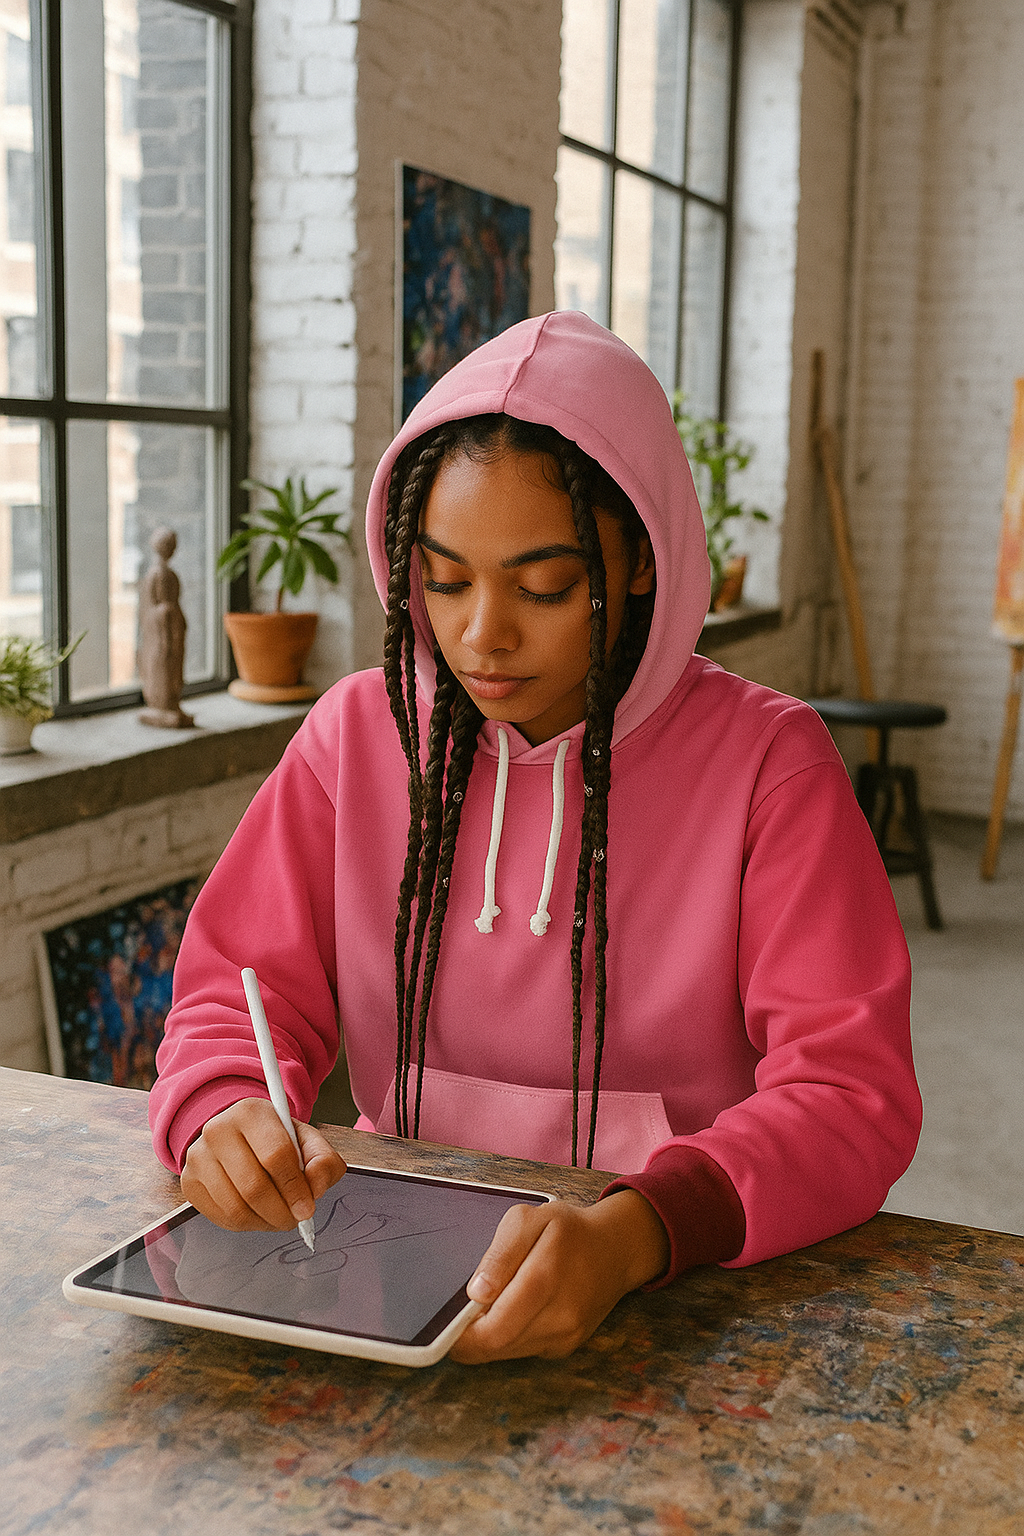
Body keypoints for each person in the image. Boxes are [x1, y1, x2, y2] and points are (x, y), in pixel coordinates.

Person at [150, 311, 921, 1363]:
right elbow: (233, 992)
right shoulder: (355, 735)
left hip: (679, 1291)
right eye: (446, 578)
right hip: (390, 1280)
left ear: (641, 562)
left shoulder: (769, 762)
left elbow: (850, 1097)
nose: (482, 635)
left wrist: (635, 1232)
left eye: (546, 586)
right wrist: (222, 1110)